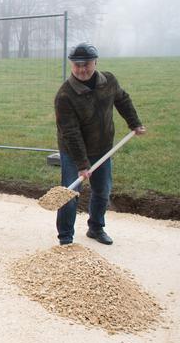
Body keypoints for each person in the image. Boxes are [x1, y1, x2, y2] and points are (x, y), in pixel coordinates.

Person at [54, 43, 146, 246]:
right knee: (69, 194)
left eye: (86, 64)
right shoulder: (65, 95)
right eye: (76, 65)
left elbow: (122, 99)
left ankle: (96, 228)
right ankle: (66, 239)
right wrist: (82, 165)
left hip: (103, 148)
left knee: (102, 190)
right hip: (73, 152)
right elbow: (70, 132)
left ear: (95, 62)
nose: (81, 69)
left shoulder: (109, 81)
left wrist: (134, 123)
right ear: (71, 65)